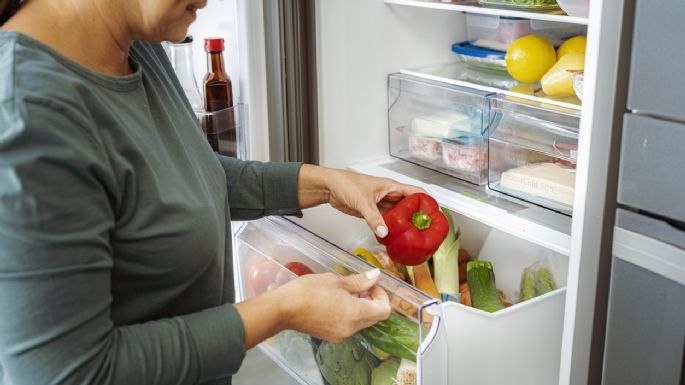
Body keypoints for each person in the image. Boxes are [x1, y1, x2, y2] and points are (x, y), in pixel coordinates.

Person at [0, 1, 424, 384]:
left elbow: (176, 179)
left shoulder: (135, 42)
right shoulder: (29, 112)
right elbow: (67, 374)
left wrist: (326, 183)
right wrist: (281, 311)